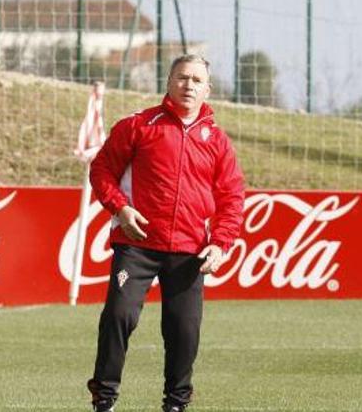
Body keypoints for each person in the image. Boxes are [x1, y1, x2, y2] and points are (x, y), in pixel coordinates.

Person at [87, 54, 245, 411]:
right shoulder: (138, 125)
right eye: (182, 77)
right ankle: (104, 398)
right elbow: (101, 170)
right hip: (137, 244)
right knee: (119, 315)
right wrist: (121, 208)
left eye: (196, 80)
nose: (188, 85)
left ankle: (176, 403)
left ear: (208, 89)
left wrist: (220, 244)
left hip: (191, 250)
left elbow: (231, 197)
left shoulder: (217, 141)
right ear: (169, 81)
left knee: (183, 330)